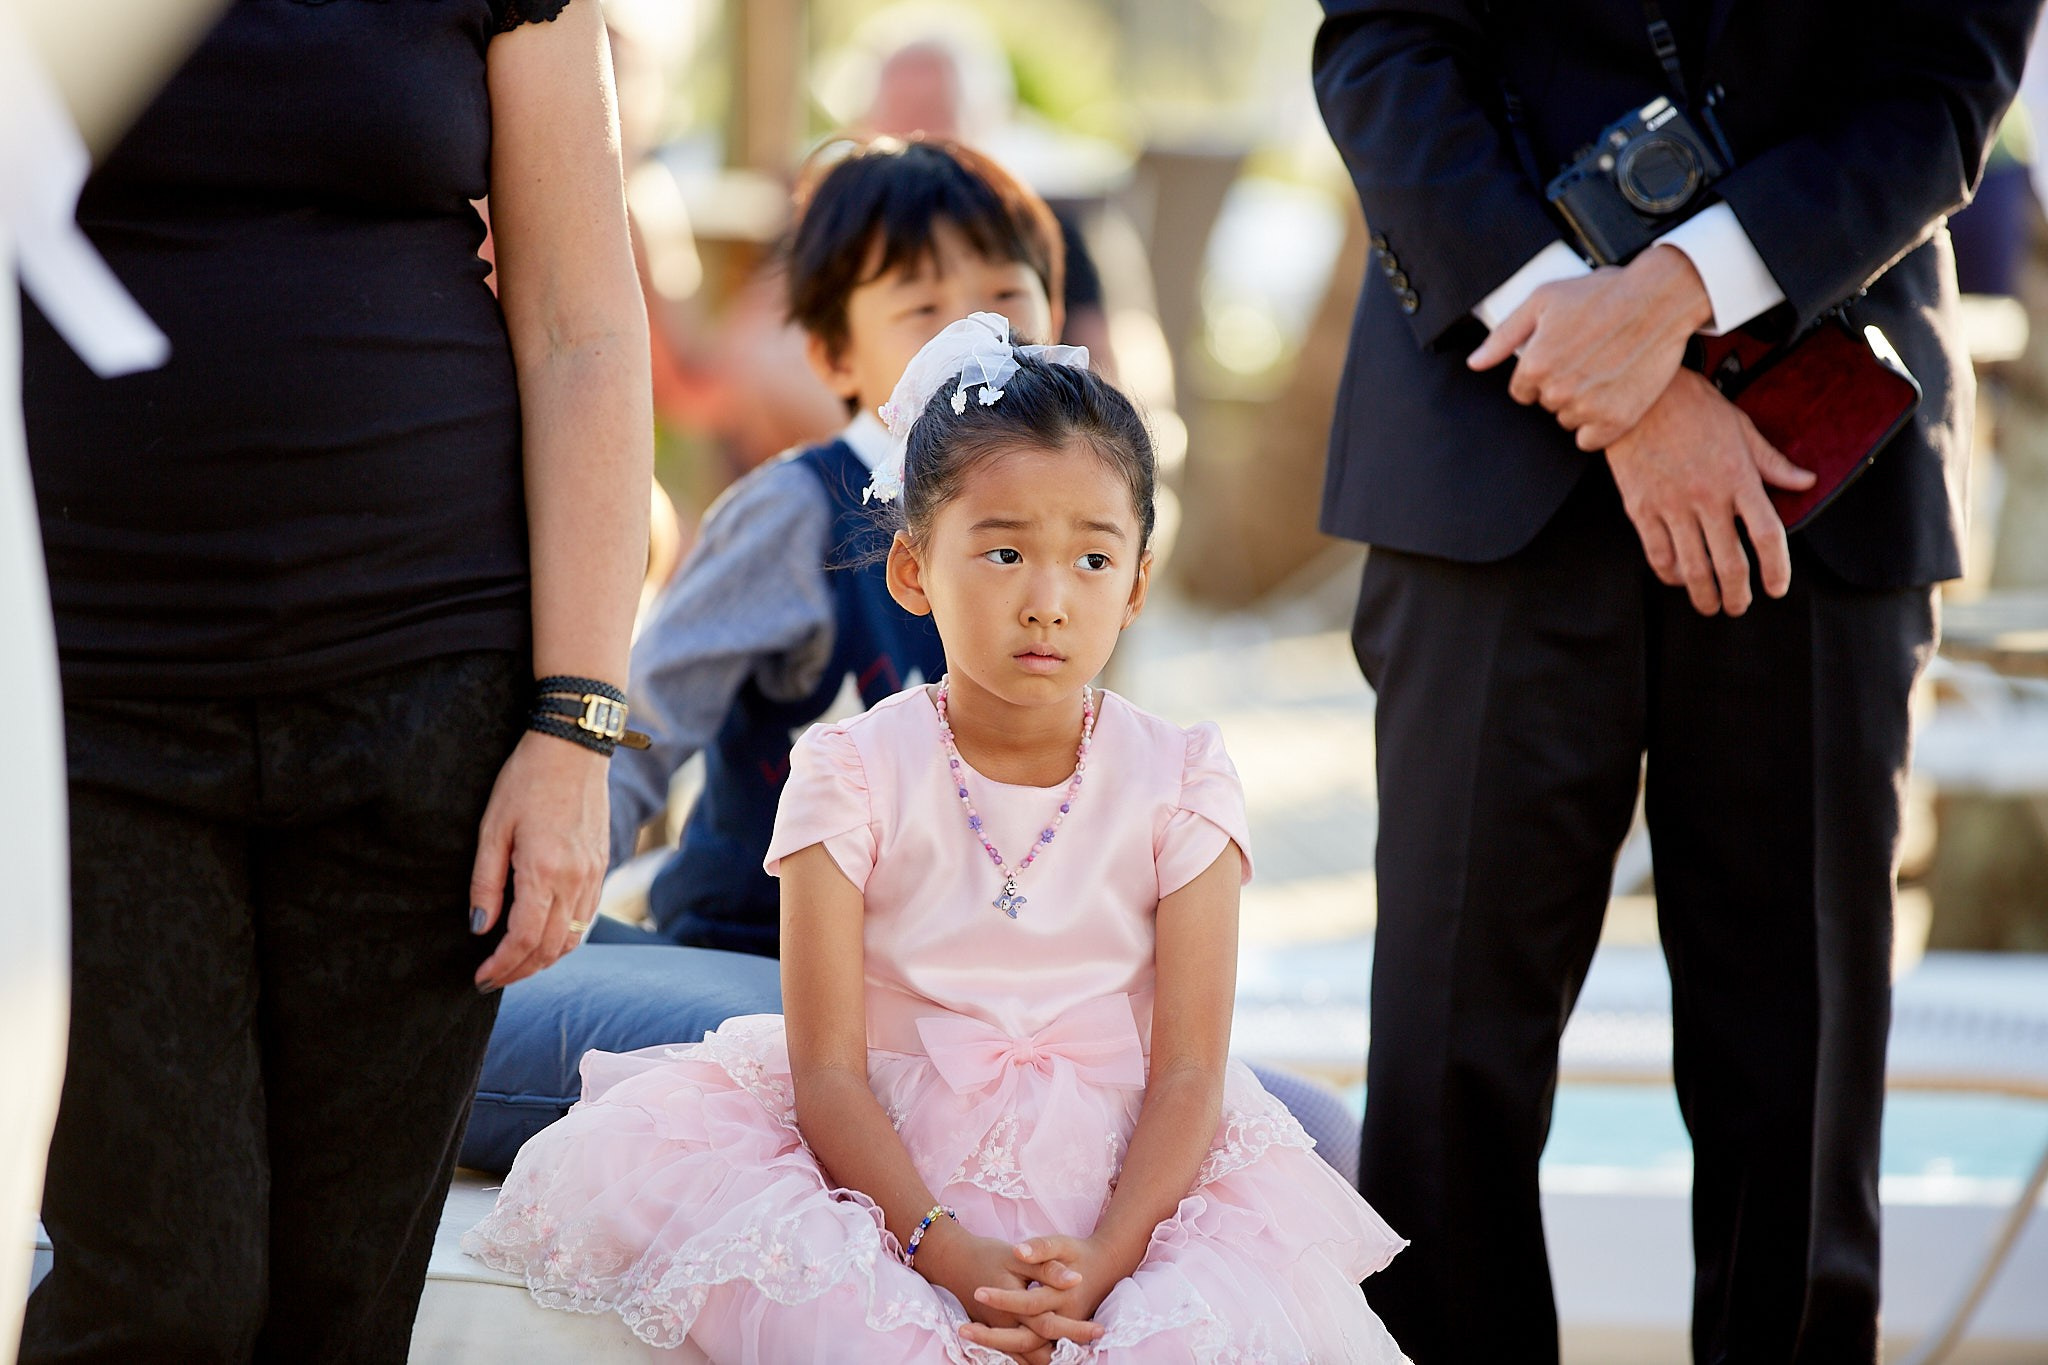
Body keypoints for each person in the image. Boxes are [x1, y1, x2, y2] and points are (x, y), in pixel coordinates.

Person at [464, 313, 1406, 1363]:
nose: (1046, 602)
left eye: (1093, 559)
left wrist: (1103, 1257)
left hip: (1117, 1191)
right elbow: (824, 1071)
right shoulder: (849, 772)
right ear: (912, 573)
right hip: (885, 1176)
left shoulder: (1182, 777)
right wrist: (940, 1250)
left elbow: (1189, 1073)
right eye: (1001, 552)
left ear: (1137, 583)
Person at [1313, 2, 2038, 1361]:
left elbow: (1942, 78)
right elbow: (1382, 43)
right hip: (1482, 455)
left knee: (1799, 1082)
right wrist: (1598, 357)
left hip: (1819, 475)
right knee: (1445, 1071)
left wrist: (1678, 296)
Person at [19, 0, 651, 1359]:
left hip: (435, 705)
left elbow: (584, 325)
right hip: (83, 710)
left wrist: (576, 724)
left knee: (341, 1307)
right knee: (157, 1296)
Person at [608, 136, 1058, 954]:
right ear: (834, 354)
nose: (976, 335)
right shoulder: (796, 513)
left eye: (1004, 294)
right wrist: (557, 885)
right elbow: (647, 718)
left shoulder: (1070, 513)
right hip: (757, 956)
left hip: (955, 975)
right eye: (924, 310)